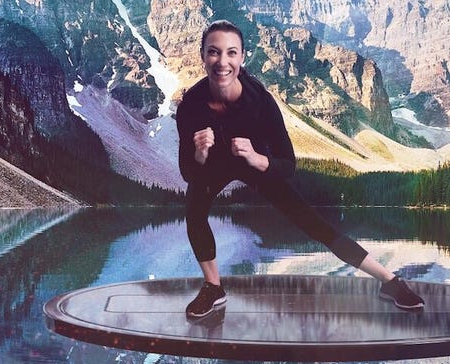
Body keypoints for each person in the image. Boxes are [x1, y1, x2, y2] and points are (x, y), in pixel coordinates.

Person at [177, 19, 424, 320]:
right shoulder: (190, 105)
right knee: (194, 209)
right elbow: (188, 172)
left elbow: (288, 164)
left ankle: (390, 281)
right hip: (213, 165)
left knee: (312, 222)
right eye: (214, 52)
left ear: (242, 57)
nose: (222, 62)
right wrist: (200, 153)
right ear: (203, 56)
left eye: (231, 53)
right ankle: (213, 287)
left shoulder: (261, 101)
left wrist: (257, 159)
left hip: (257, 162)